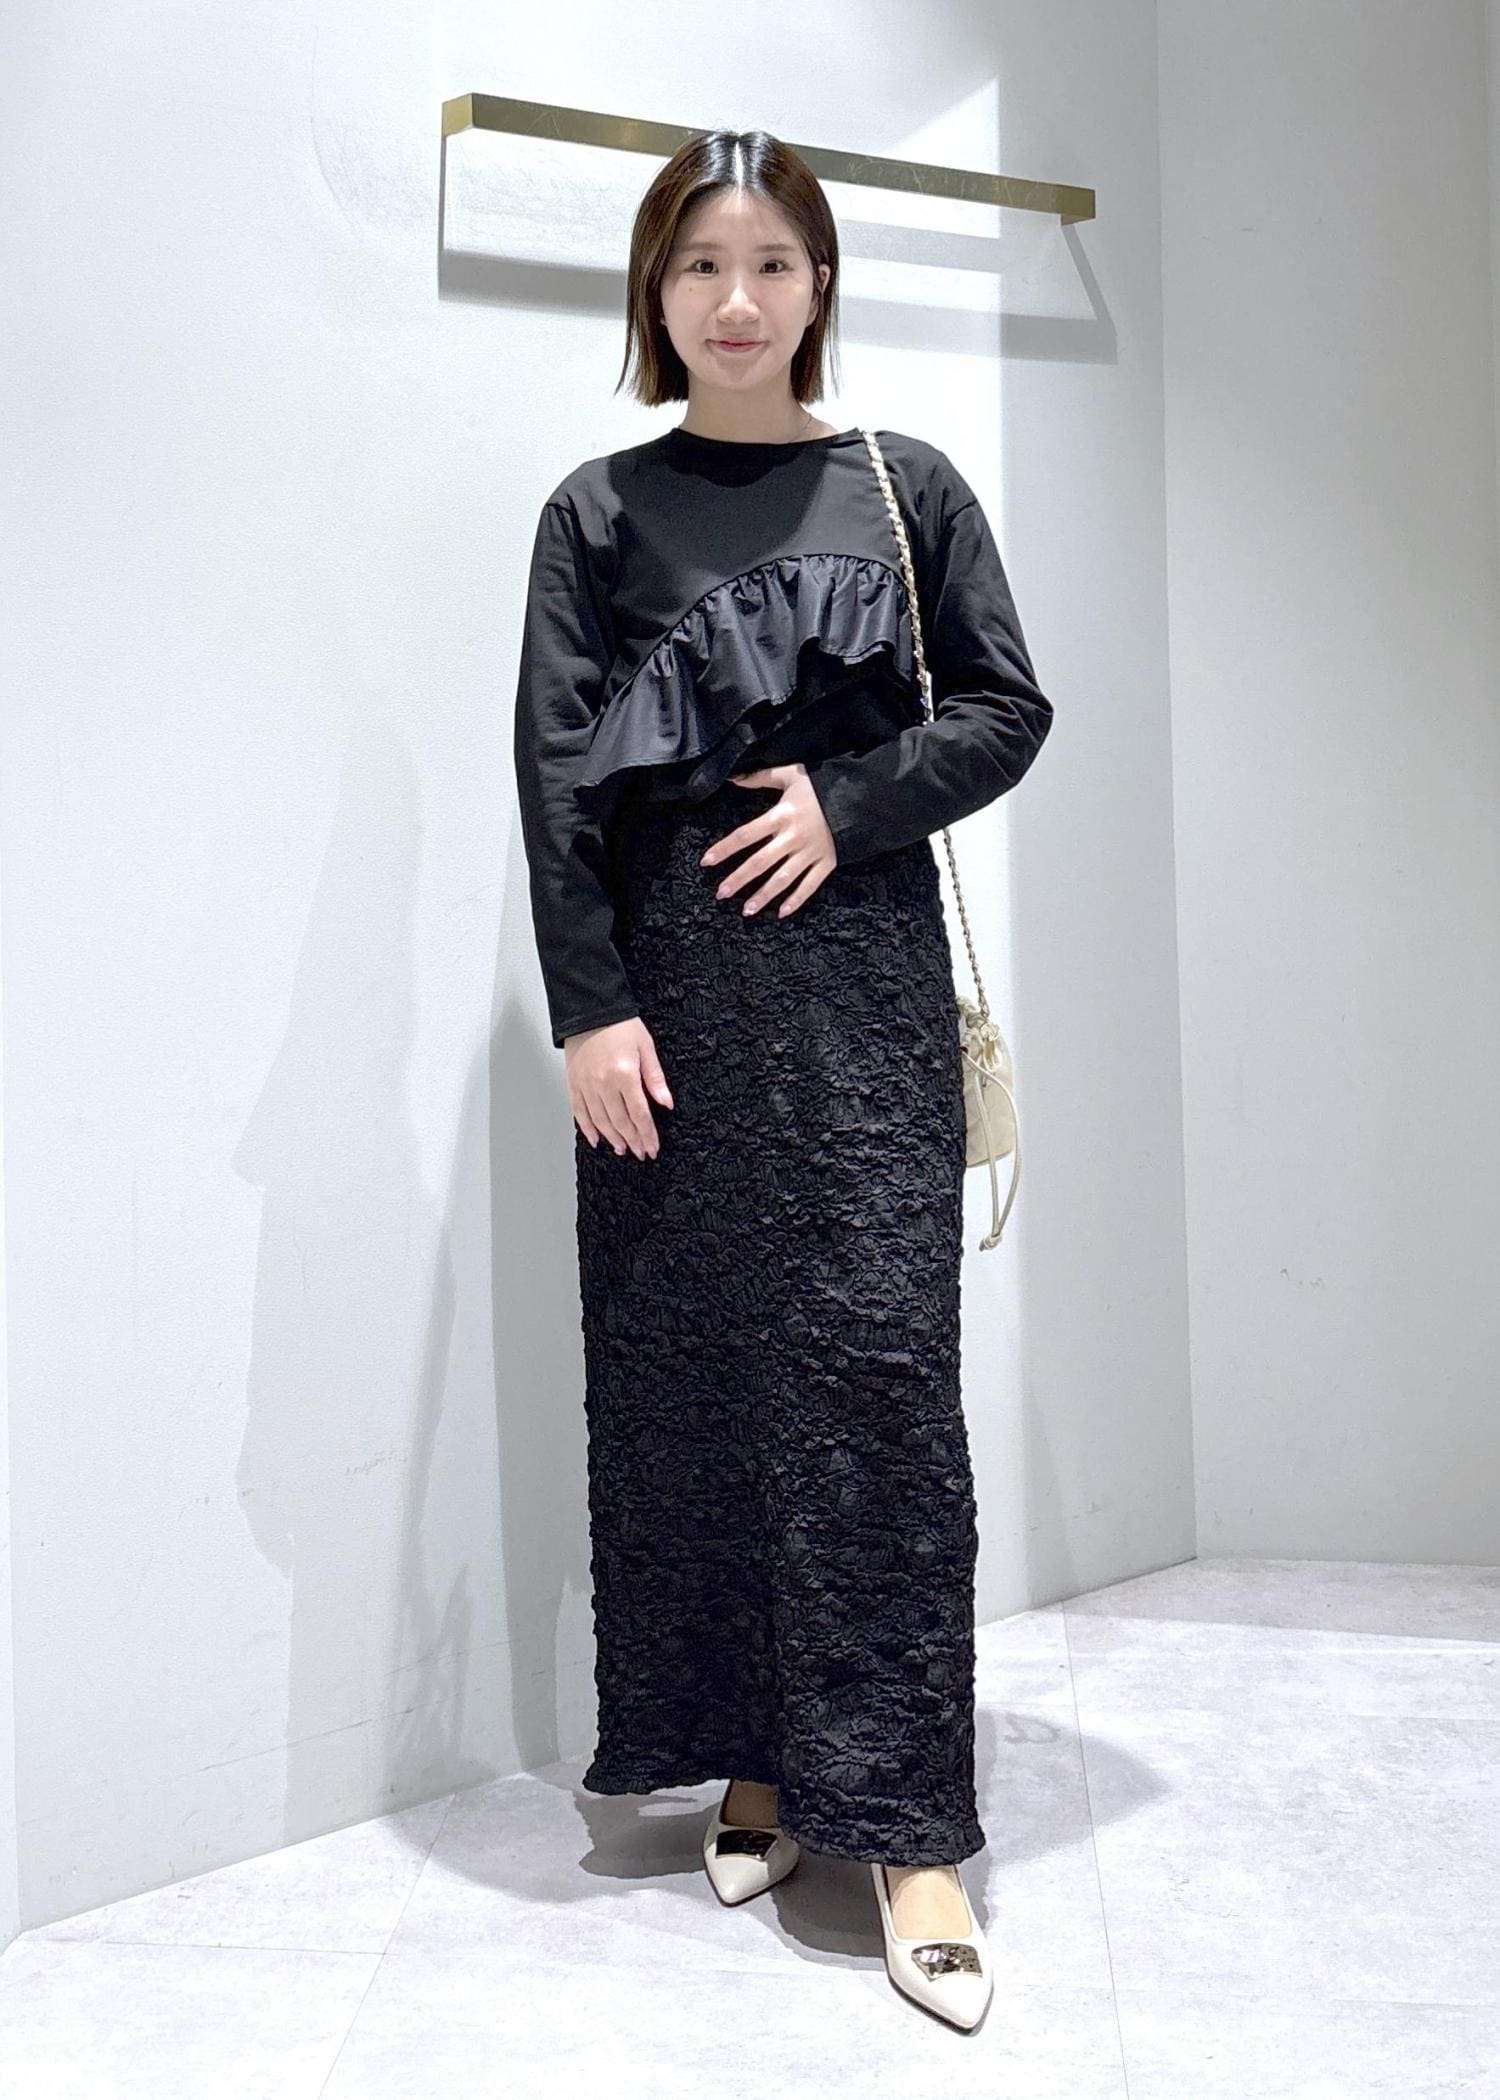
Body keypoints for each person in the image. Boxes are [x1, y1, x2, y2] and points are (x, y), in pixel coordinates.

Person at [512, 127, 1053, 2032]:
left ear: (819, 282)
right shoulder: (597, 512)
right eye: (698, 266)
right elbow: (557, 781)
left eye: (768, 264)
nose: (734, 301)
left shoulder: (908, 486)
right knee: (699, 1388)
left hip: (859, 998)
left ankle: (906, 1829)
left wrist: (848, 798)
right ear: (653, 293)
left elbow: (1008, 708)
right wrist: (589, 1009)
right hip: (665, 1017)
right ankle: (754, 1759)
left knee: (876, 1395)